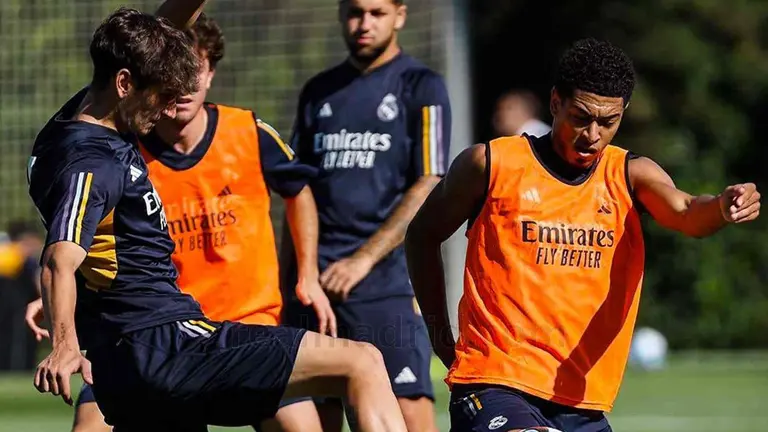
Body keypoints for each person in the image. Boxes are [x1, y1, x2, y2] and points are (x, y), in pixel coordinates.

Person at [26, 2, 407, 431]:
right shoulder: (93, 161)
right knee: (362, 361)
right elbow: (60, 257)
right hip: (166, 343)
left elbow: (164, 23)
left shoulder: (82, 116)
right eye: (161, 95)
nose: (170, 106)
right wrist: (63, 344)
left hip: (132, 362)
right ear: (124, 83)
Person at [405, 37, 761, 432]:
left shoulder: (629, 175)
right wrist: (440, 337)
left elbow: (687, 212)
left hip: (580, 401)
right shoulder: (491, 164)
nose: (592, 133)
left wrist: (722, 208)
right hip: (495, 381)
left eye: (608, 122)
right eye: (581, 117)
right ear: (556, 103)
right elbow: (422, 235)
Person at [281, 0, 450, 430]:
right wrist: (289, 280)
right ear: (340, 14)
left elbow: (431, 180)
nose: (364, 23)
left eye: (377, 13)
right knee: (315, 417)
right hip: (314, 291)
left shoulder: (421, 85)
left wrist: (363, 260)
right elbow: (295, 191)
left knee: (409, 413)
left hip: (384, 287)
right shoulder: (317, 91)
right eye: (355, 12)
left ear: (400, 15)